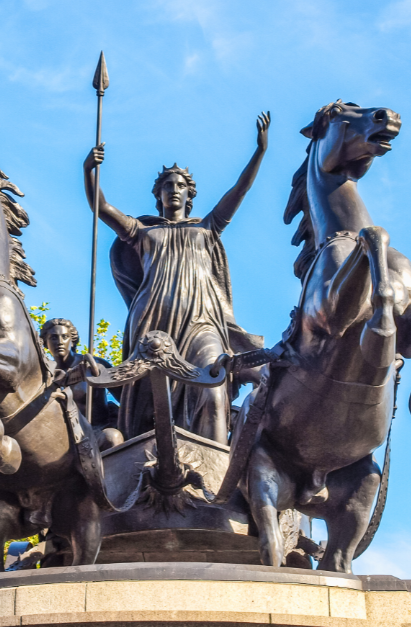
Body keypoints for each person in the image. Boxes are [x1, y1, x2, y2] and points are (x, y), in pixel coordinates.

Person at [83, 112, 270, 444]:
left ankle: (213, 464)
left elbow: (240, 190)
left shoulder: (207, 228)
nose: (174, 190)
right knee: (146, 403)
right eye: (167, 185)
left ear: (189, 195)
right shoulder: (142, 232)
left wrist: (260, 151)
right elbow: (101, 207)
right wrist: (89, 171)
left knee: (213, 384)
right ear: (158, 194)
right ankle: (142, 458)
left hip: (202, 321)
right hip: (152, 322)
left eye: (180, 185)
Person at [39, 318, 124, 451]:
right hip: (64, 440)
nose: (60, 342)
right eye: (53, 338)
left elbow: (125, 398)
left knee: (112, 437)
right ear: (45, 342)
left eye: (65, 337)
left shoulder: (94, 365)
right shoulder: (44, 375)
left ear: (72, 341)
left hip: (98, 431)